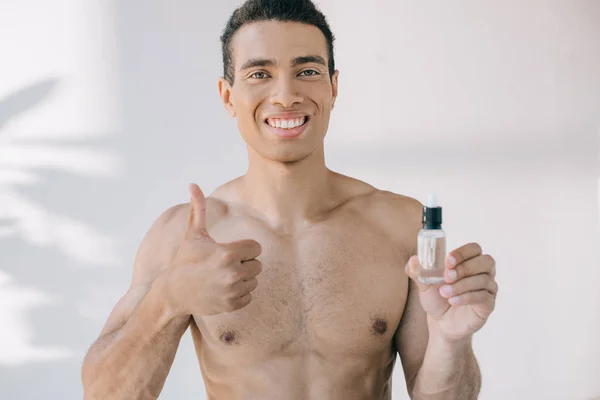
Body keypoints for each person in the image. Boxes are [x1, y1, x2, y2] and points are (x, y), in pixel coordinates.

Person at [81, 0, 498, 399]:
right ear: (228, 96)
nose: (285, 95)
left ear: (333, 87)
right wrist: (168, 299)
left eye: (308, 71)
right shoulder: (185, 236)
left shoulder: (401, 225)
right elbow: (104, 395)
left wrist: (451, 339)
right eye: (260, 74)